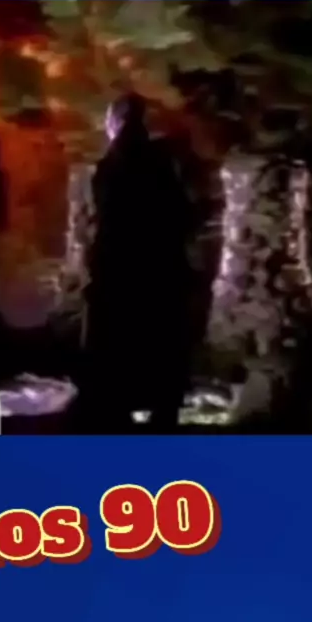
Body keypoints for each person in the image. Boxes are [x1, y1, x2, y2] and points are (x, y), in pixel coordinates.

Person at [83, 92, 193, 432]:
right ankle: (162, 411)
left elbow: (106, 218)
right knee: (161, 337)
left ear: (115, 122)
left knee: (117, 338)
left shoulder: (111, 165)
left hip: (120, 268)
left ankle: (115, 410)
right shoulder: (162, 163)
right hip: (160, 269)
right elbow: (180, 212)